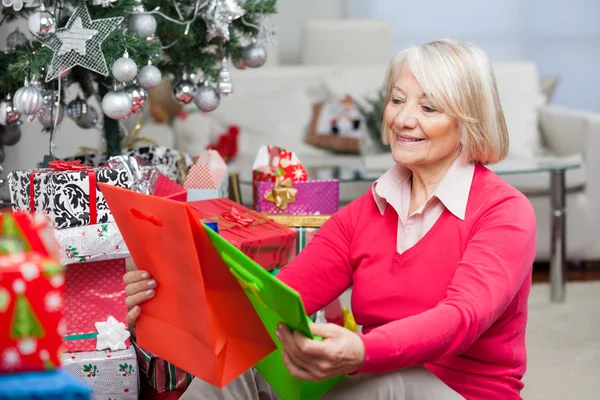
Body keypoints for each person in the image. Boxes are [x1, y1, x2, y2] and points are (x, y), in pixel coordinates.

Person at [123, 39, 536, 399]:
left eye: (428, 107)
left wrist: (362, 351)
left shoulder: (504, 212)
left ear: (468, 123)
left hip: (462, 393)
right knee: (245, 364)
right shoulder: (364, 213)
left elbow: (462, 318)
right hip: (377, 377)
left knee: (382, 383)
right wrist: (170, 302)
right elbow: (275, 300)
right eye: (397, 100)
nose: (403, 119)